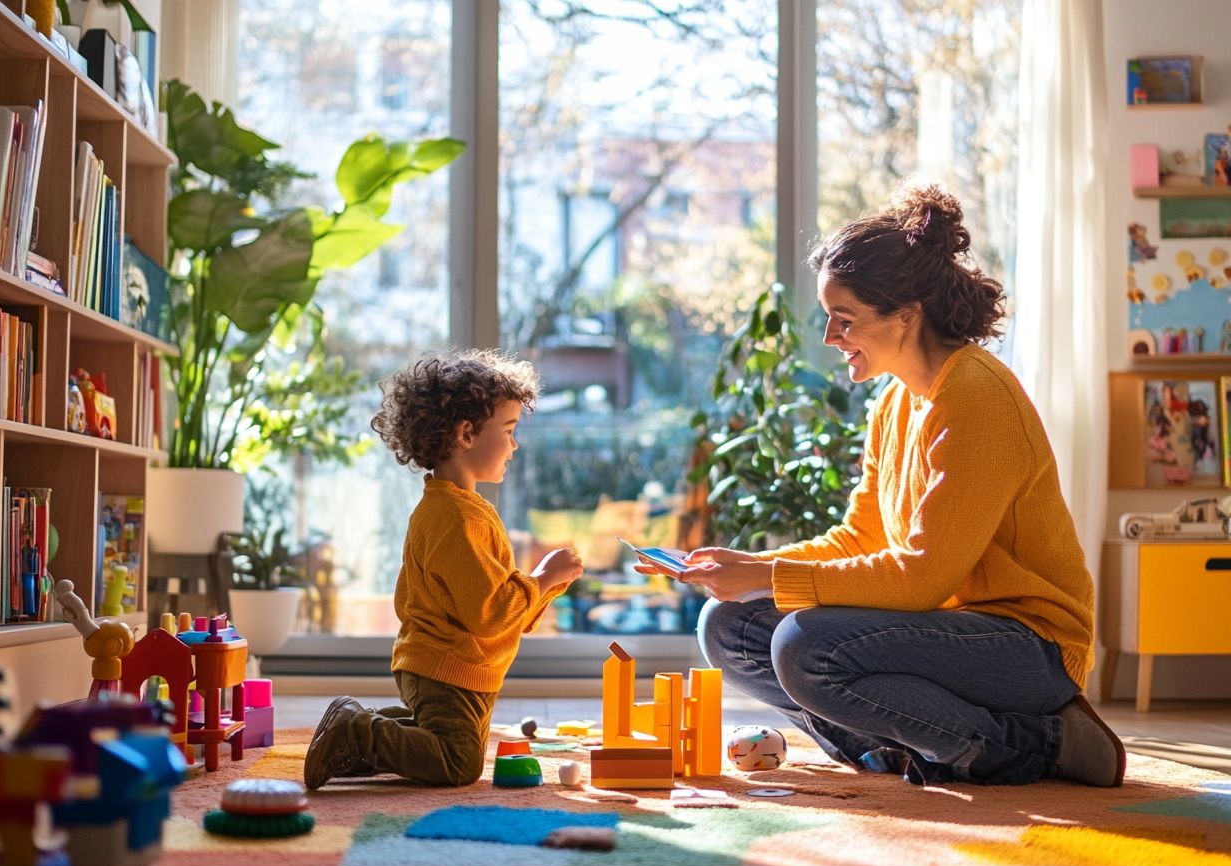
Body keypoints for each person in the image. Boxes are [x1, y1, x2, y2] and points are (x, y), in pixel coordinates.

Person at [640, 185, 1124, 788]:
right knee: (727, 625)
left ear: (906, 313)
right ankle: (898, 749)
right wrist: (750, 566)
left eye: (845, 320)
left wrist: (767, 577)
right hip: (938, 632)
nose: (828, 338)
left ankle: (1034, 742)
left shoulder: (975, 398)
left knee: (803, 648)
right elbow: (860, 536)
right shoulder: (895, 401)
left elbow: (922, 577)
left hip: (1027, 645)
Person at [303, 349, 584, 789]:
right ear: (466, 434)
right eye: (508, 431)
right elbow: (490, 615)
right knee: (458, 762)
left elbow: (501, 611)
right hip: (446, 667)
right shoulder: (460, 518)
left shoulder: (454, 507)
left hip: (457, 665)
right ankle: (358, 732)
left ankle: (357, 729)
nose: (515, 445)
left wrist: (547, 586)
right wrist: (544, 577)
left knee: (447, 739)